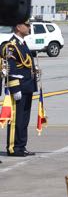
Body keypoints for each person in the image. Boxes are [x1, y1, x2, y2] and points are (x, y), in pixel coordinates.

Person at [2, 18, 38, 157]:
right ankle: (13, 148)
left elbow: (26, 65)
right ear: (18, 27)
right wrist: (15, 88)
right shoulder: (11, 45)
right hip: (19, 87)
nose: (29, 27)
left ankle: (21, 146)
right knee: (16, 119)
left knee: (24, 120)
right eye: (27, 25)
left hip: (27, 86)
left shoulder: (22, 43)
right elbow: (10, 68)